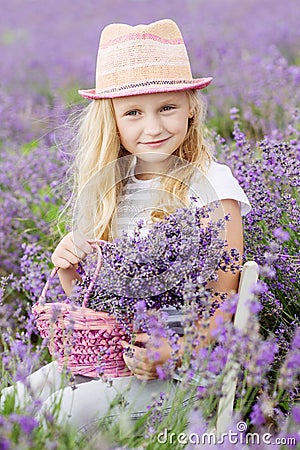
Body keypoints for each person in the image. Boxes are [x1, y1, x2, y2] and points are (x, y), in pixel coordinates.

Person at [1, 19, 251, 431]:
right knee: (11, 405)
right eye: (133, 112)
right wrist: (70, 270)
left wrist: (174, 351)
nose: (152, 127)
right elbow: (100, 306)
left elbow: (224, 301)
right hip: (109, 359)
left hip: (177, 374)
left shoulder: (212, 185)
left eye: (167, 107)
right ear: (112, 120)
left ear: (191, 105)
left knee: (52, 416)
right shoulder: (115, 189)